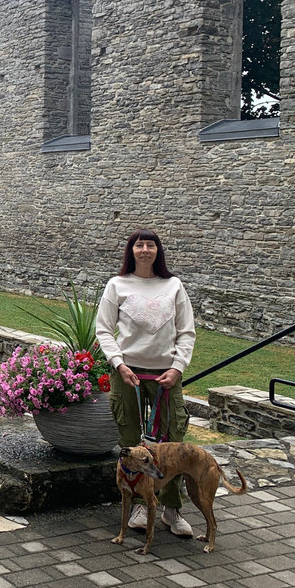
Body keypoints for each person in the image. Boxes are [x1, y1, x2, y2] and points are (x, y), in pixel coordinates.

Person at [96, 228, 196, 537]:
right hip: (128, 374)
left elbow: (186, 331)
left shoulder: (173, 286)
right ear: (131, 251)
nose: (145, 250)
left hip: (166, 376)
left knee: (172, 443)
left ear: (157, 251)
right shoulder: (118, 285)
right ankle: (140, 503)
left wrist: (178, 367)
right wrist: (119, 364)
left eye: (150, 245)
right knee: (131, 441)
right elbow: (103, 330)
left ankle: (172, 508)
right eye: (139, 245)